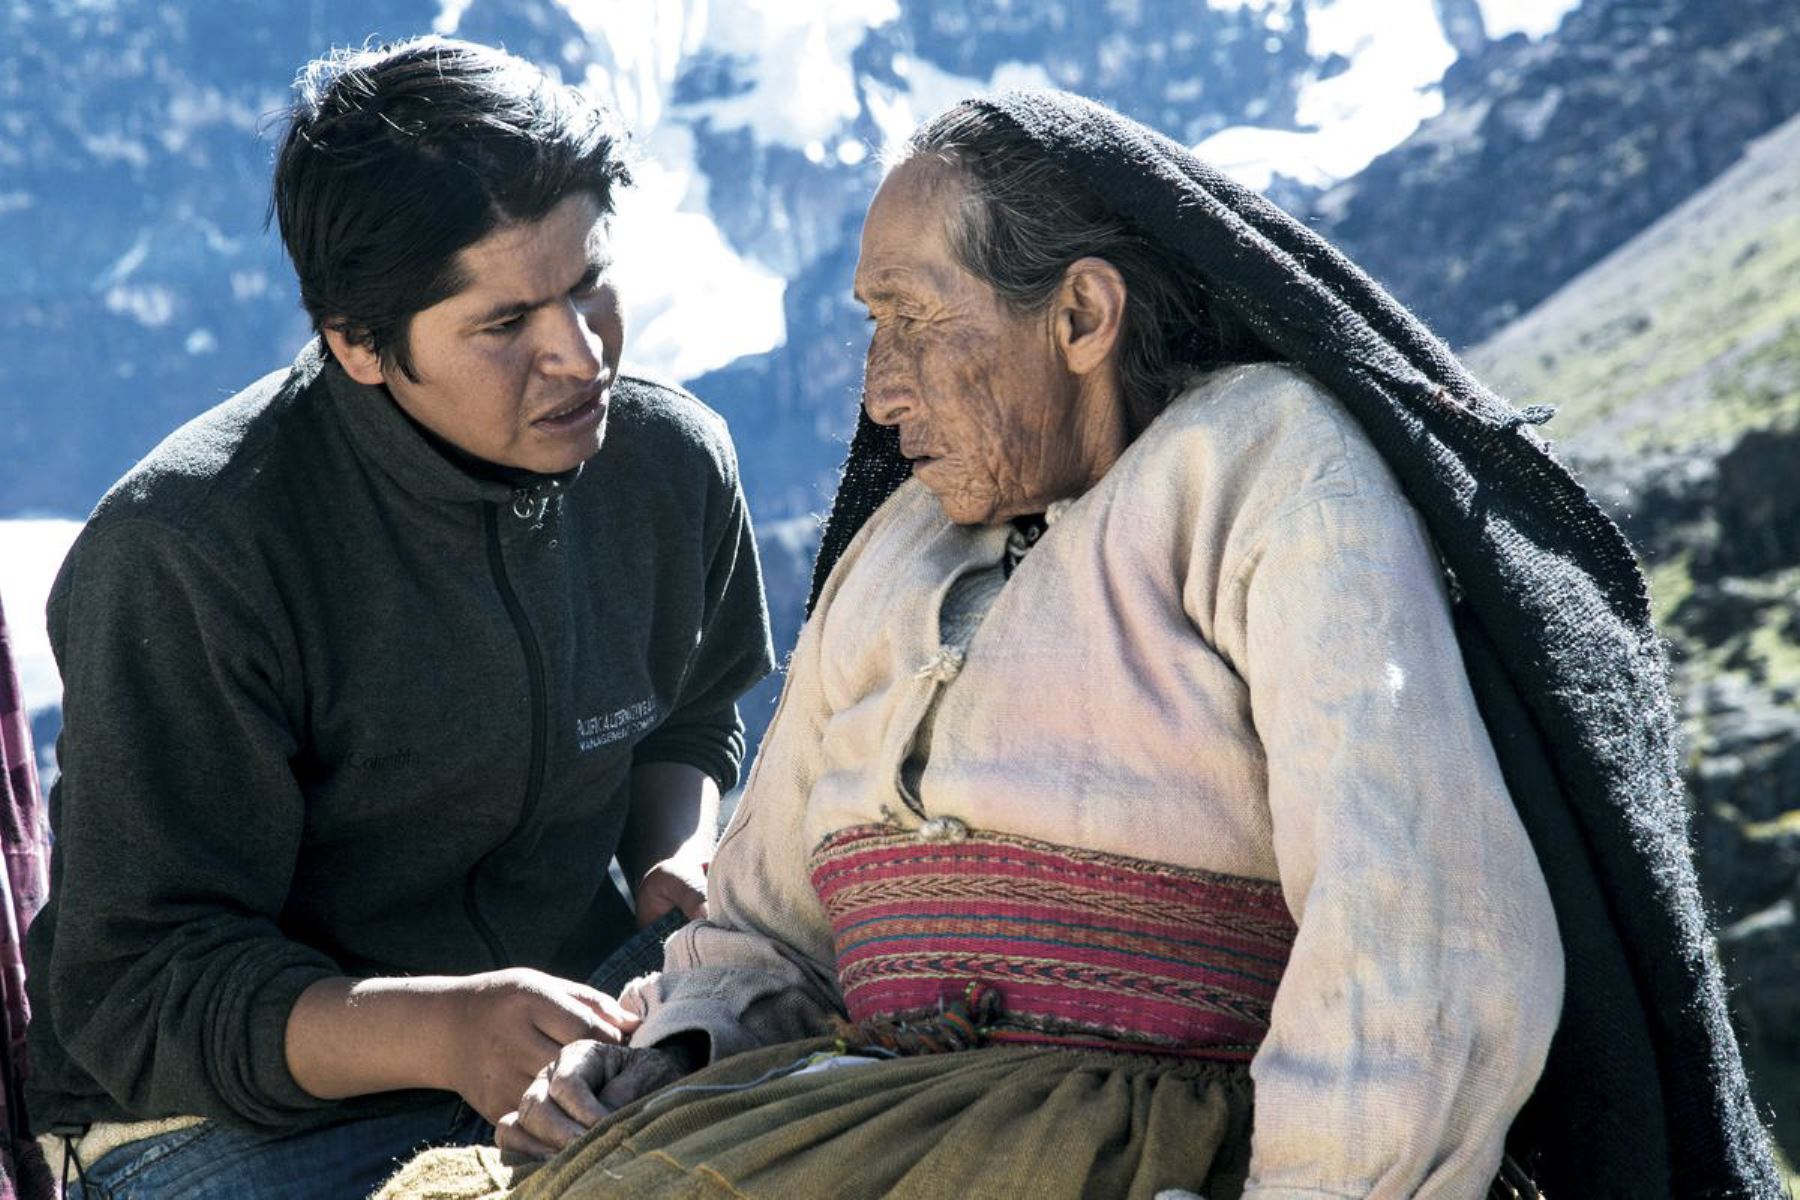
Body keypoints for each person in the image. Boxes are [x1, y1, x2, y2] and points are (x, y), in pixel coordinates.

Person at [387, 92, 1780, 1200]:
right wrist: (672, 1054)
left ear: (1082, 315)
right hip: (843, 1125)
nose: (877, 392)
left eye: (914, 326)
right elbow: (767, 930)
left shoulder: (1261, 473)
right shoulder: (898, 554)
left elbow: (1415, 940)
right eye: (871, 333)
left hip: (1128, 1154)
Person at [24, 36, 773, 1199]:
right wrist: (445, 1032)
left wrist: (675, 848)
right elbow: (136, 988)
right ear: (359, 344)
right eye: (506, 322)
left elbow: (686, 714)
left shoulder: (670, 465)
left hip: (558, 1039)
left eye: (589, 285)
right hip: (220, 1123)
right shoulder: (189, 554)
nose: (581, 355)